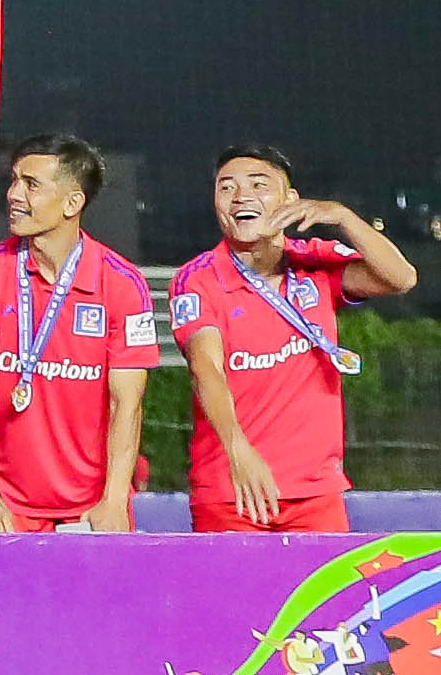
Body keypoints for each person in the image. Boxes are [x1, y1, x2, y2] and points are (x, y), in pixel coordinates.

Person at [171, 143, 415, 533]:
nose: (241, 196)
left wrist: (343, 217)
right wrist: (238, 450)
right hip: (233, 490)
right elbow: (206, 370)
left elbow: (400, 278)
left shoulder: (314, 261)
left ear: (291, 199)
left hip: (315, 493)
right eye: (227, 187)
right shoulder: (197, 279)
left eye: (258, 185)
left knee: (327, 579)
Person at [0, 133, 157, 534]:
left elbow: (126, 405)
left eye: (31, 184)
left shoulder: (122, 284)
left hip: (92, 509)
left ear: (72, 203)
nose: (13, 194)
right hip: (8, 509)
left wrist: (115, 500)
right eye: (14, 181)